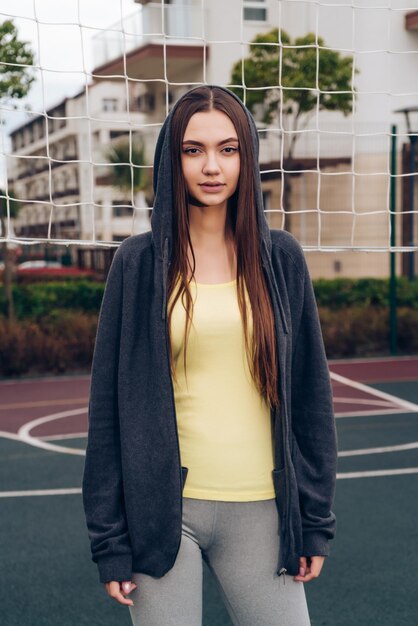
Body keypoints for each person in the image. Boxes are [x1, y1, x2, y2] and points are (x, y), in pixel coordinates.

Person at [82, 85, 338, 626]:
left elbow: (312, 396)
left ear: (246, 156)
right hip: (163, 514)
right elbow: (107, 409)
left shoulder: (282, 259)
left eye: (228, 148)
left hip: (262, 512)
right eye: (193, 150)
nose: (212, 166)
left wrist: (314, 521)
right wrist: (110, 540)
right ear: (171, 160)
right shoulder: (138, 263)